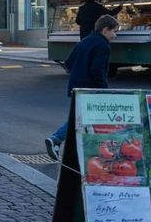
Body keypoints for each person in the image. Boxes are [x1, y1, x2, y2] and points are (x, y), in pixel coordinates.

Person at [46, 15, 119, 161]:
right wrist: (103, 89)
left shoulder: (85, 41)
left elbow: (69, 63)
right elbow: (98, 70)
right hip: (90, 88)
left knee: (83, 118)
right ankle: (57, 139)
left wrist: (78, 74)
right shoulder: (102, 45)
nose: (115, 35)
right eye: (114, 31)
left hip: (76, 86)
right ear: (105, 30)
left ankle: (74, 147)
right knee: (85, 118)